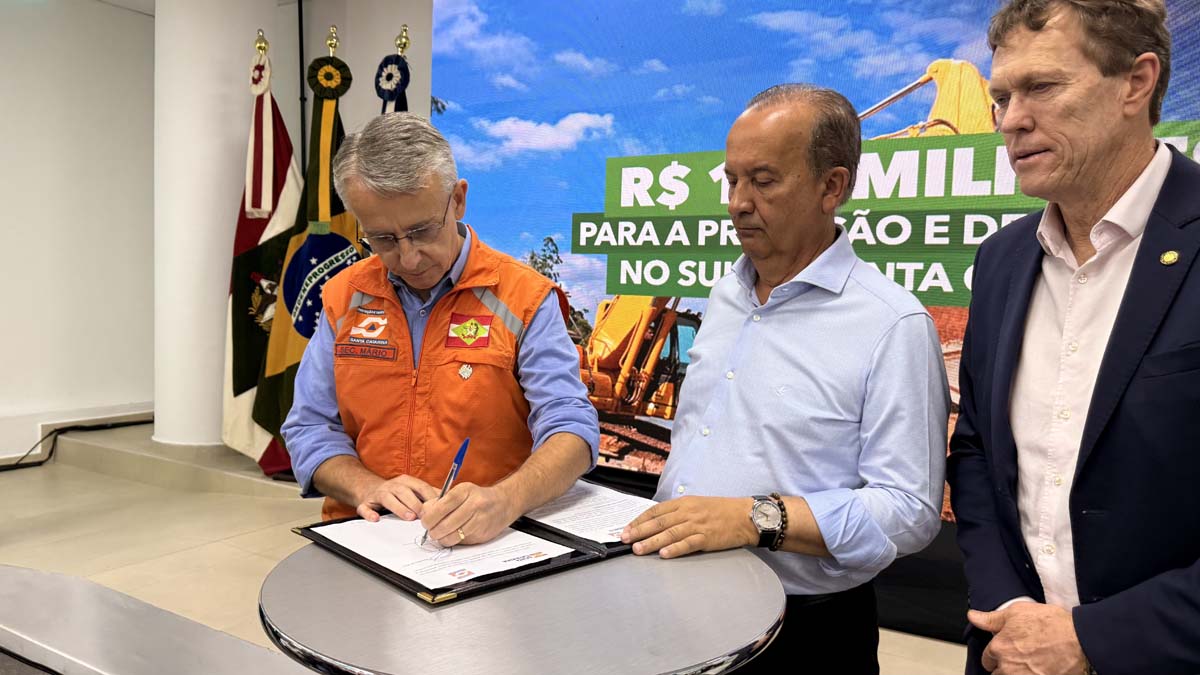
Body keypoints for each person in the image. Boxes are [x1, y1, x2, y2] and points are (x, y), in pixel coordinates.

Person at [622, 84, 950, 674]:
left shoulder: (891, 324)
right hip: (675, 599)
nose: (738, 203)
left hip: (804, 635)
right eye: (731, 180)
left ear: (832, 187)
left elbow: (908, 510)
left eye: (763, 181)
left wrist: (756, 517)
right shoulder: (726, 296)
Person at [947, 1, 1200, 673]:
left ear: (1136, 83)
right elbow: (976, 449)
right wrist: (1007, 608)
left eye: (1042, 87)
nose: (1011, 120)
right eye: (1002, 97)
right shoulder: (1001, 261)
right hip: (1009, 652)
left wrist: (1094, 639)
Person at [281, 113, 598, 548]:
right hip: (367, 537)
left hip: (493, 540)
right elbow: (309, 427)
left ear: (458, 200)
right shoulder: (344, 295)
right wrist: (365, 486)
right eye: (383, 239)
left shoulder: (523, 296)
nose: (409, 258)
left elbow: (572, 428)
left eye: (422, 231)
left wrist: (505, 500)